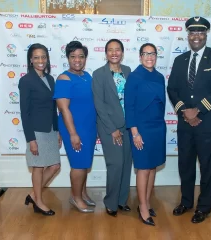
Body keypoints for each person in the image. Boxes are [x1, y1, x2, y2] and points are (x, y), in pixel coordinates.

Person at [167, 16, 211, 223]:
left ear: (205, 35)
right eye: (192, 33)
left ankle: (204, 207)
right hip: (186, 124)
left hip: (208, 124)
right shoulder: (180, 60)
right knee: (185, 166)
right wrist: (185, 111)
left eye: (200, 33)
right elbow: (172, 89)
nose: (196, 36)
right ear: (188, 35)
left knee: (208, 167)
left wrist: (198, 110)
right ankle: (186, 202)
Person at [124, 43, 166, 226]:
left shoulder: (160, 77)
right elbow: (129, 107)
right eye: (146, 54)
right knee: (143, 167)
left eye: (153, 54)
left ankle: (147, 202)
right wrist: (135, 133)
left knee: (152, 167)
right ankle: (142, 208)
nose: (150, 57)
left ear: (156, 56)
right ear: (140, 57)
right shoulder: (134, 77)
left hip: (157, 128)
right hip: (141, 129)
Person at [19, 43, 61, 216]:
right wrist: (31, 139)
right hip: (36, 131)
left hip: (50, 130)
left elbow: (53, 108)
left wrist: (57, 131)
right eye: (36, 57)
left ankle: (32, 194)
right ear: (30, 60)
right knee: (38, 167)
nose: (40, 60)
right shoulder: (26, 80)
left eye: (43, 56)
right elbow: (24, 112)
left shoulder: (50, 79)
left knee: (55, 166)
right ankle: (39, 201)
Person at [53, 41, 96, 213]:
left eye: (81, 56)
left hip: (89, 127)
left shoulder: (87, 76)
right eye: (73, 56)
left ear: (85, 58)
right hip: (74, 128)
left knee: (85, 163)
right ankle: (75, 197)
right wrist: (72, 134)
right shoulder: (64, 79)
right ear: (68, 58)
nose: (77, 60)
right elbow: (63, 109)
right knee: (78, 164)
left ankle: (82, 193)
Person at [92, 39, 132, 217]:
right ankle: (110, 202)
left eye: (117, 50)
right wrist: (112, 129)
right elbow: (99, 104)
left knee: (125, 164)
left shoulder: (128, 71)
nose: (114, 53)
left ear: (122, 52)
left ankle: (122, 200)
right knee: (115, 164)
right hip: (110, 127)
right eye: (110, 50)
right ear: (105, 53)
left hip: (128, 126)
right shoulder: (99, 74)